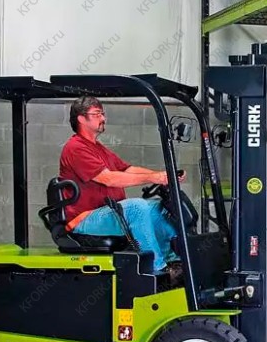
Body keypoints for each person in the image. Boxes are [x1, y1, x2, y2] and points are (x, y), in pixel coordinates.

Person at [59, 96, 185, 280]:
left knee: (157, 207)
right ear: (81, 119)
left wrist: (163, 175)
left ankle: (175, 261)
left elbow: (127, 169)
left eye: (102, 114)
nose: (103, 118)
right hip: (85, 219)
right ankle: (158, 269)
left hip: (108, 212)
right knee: (137, 207)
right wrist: (153, 177)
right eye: (97, 114)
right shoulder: (76, 148)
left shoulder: (98, 148)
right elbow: (109, 179)